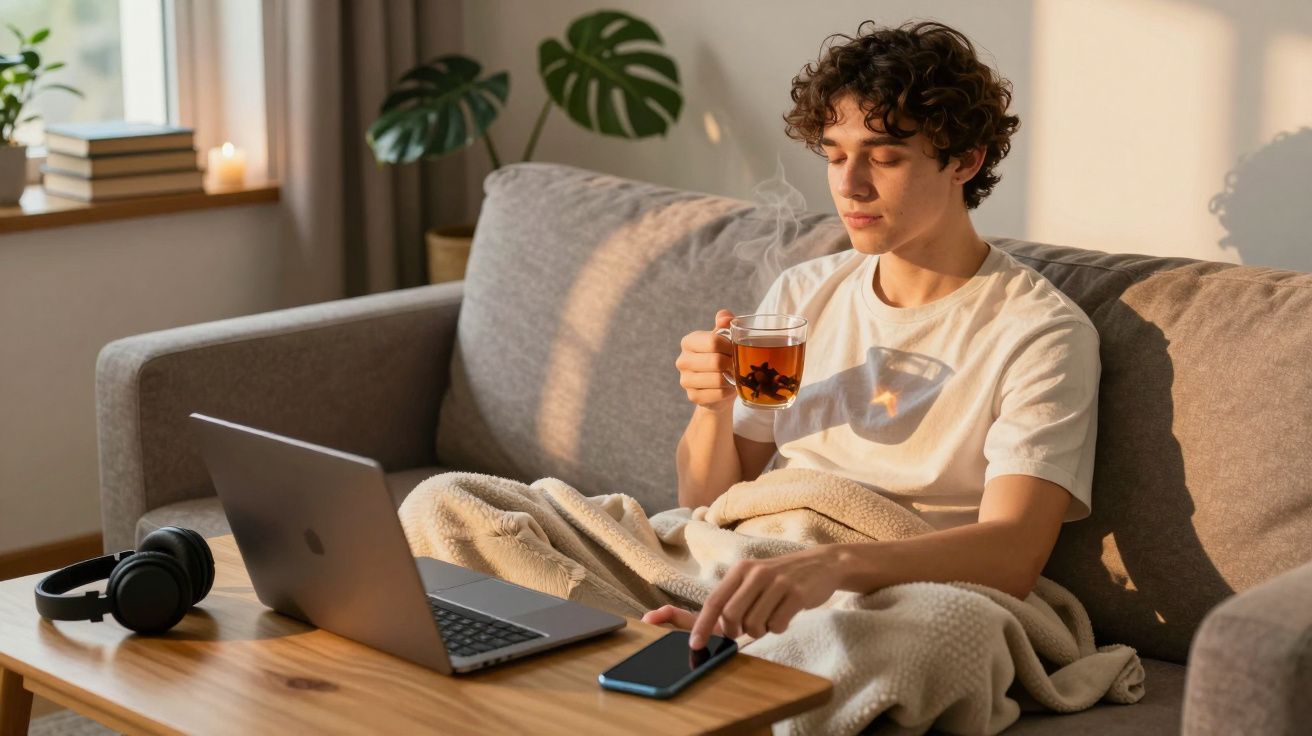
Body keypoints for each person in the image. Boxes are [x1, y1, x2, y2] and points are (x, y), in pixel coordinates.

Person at [645, 19, 1101, 650]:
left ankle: (749, 647)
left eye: (884, 158)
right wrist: (711, 410)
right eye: (835, 156)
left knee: (909, 645)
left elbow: (1014, 555)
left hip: (894, 588)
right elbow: (705, 503)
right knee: (464, 504)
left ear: (964, 160)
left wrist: (829, 569)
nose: (849, 185)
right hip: (752, 552)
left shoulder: (1039, 333)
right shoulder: (803, 294)